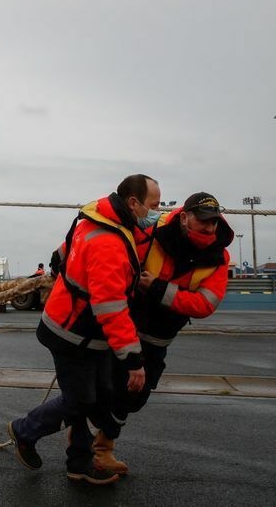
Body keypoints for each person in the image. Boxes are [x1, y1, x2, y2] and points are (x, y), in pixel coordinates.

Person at [7, 174, 160, 485]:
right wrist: (133, 361)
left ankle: (79, 463)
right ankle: (24, 431)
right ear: (133, 203)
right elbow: (111, 308)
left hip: (87, 335)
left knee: (100, 396)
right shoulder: (109, 244)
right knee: (79, 400)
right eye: (155, 206)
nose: (159, 212)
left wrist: (58, 260)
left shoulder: (98, 217)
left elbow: (65, 250)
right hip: (72, 335)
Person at [93, 192, 233, 475]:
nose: (209, 229)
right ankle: (97, 448)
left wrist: (157, 288)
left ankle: (98, 441)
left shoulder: (218, 255)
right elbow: (106, 238)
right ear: (184, 217)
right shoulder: (151, 229)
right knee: (100, 388)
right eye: (203, 221)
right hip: (124, 329)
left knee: (134, 397)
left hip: (158, 339)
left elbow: (205, 304)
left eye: (214, 223)